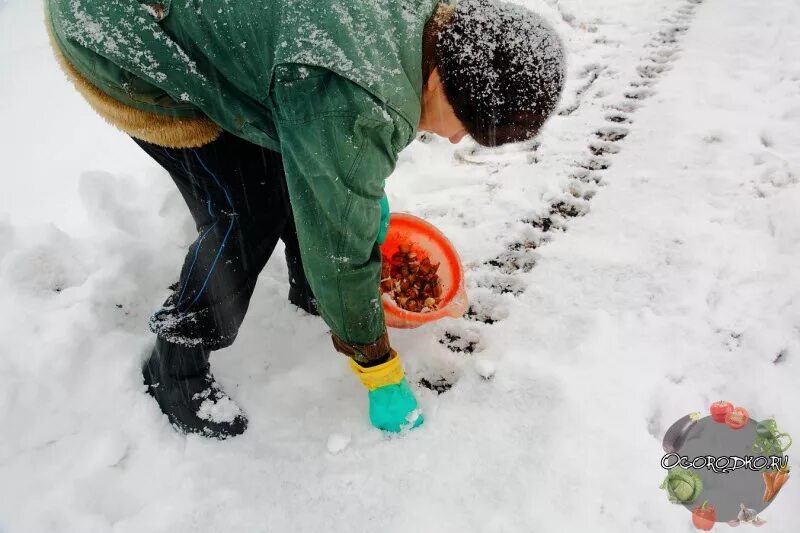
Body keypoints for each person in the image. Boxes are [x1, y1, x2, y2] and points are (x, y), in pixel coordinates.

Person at [45, 0, 565, 439]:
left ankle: (305, 285)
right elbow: (341, 250)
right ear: (438, 78)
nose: (454, 140)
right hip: (119, 30)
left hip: (229, 27)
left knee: (289, 159)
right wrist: (376, 362)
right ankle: (176, 362)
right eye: (463, 124)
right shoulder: (353, 98)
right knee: (245, 208)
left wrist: (348, 198)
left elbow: (318, 131)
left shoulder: (432, 24)